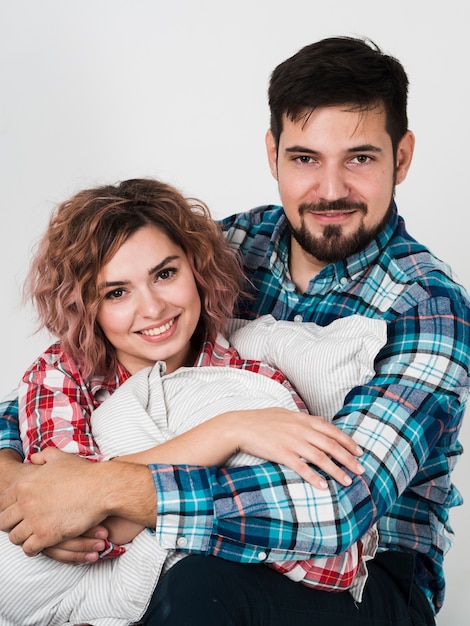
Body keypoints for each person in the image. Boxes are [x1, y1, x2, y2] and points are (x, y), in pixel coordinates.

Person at [1, 35, 469, 625]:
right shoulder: (225, 249)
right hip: (191, 546)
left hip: (375, 583)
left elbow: (335, 509)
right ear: (272, 153)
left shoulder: (428, 306)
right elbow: (55, 381)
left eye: (359, 158)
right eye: (304, 158)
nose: (329, 190)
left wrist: (99, 493)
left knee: (198, 586)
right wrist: (25, 490)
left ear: (400, 157)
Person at [0, 177, 375, 625]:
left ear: (196, 269)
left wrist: (104, 497)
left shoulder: (255, 381)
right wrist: (224, 434)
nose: (153, 308)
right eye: (116, 292)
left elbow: (333, 562)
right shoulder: (60, 374)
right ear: (86, 307)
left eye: (165, 274)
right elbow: (67, 517)